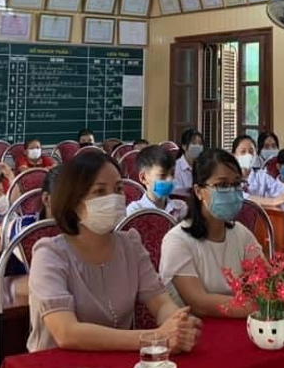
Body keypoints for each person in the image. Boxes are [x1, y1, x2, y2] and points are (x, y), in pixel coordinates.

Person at [27, 149, 201, 353]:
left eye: (118, 189)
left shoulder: (130, 244)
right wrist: (155, 337)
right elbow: (66, 332)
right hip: (57, 365)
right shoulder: (50, 254)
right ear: (73, 201)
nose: (114, 198)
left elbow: (160, 302)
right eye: (100, 192)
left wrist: (177, 324)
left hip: (118, 359)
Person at [160, 148, 265, 318]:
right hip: (195, 328)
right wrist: (259, 307)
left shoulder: (241, 233)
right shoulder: (177, 240)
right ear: (198, 191)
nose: (232, 191)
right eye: (222, 185)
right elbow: (198, 303)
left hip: (240, 324)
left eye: (237, 184)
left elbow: (267, 279)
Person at [127, 144, 188, 221]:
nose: (170, 179)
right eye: (162, 175)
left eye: (172, 174)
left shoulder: (180, 208)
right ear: (143, 178)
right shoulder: (135, 211)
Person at [173, 128, 204, 194]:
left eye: (200, 143)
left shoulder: (203, 166)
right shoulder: (176, 168)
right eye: (194, 143)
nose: (198, 146)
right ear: (184, 146)